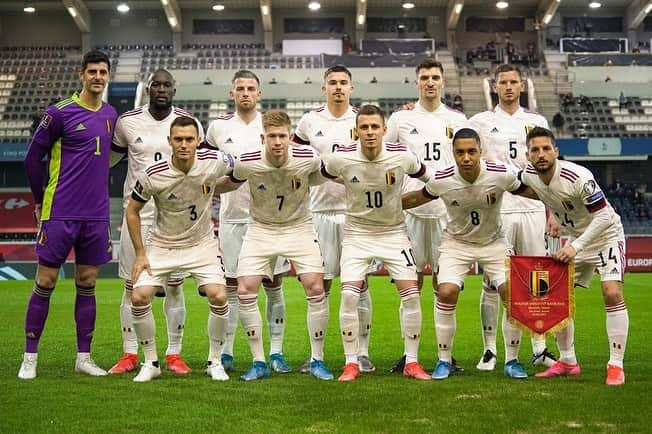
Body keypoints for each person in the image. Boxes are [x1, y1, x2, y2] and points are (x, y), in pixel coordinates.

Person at [403, 128, 536, 380]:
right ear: (452, 153)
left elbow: (530, 191)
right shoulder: (442, 179)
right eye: (460, 152)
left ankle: (512, 360)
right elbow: (417, 198)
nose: (466, 158)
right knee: (446, 291)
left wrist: (559, 201)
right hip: (456, 243)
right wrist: (386, 203)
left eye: (471, 152)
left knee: (510, 291)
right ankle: (444, 360)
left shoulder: (501, 173)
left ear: (480, 152)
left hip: (494, 242)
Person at [19, 50, 118, 379]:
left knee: (87, 282)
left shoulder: (110, 114)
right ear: (81, 74)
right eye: (92, 71)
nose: (98, 77)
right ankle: (30, 357)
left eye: (103, 71)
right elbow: (32, 159)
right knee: (45, 281)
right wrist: (37, 200)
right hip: (60, 211)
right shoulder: (59, 113)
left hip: (96, 215)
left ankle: (83, 357)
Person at [216, 110, 333, 382]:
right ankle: (259, 361)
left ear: (290, 137)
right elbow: (229, 184)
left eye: (282, 136)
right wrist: (201, 187)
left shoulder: (307, 158)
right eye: (272, 136)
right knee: (245, 291)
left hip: (299, 228)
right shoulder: (248, 161)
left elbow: (323, 176)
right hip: (261, 229)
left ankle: (317, 359)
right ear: (263, 137)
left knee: (316, 287)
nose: (277, 141)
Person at [322, 104, 432, 382]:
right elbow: (318, 174)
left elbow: (430, 179)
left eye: (375, 127)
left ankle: (413, 361)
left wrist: (416, 199)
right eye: (364, 127)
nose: (370, 132)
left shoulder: (402, 155)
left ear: (385, 130)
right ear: (355, 131)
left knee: (411, 294)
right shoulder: (341, 158)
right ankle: (351, 363)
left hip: (394, 233)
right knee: (348, 294)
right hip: (357, 234)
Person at [107, 69, 203, 375]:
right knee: (130, 287)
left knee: (174, 288)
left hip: (173, 219)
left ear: (174, 89)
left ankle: (174, 354)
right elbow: (107, 160)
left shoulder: (188, 122)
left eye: (166, 85)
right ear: (149, 89)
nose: (161, 89)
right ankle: (130, 353)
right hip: (137, 215)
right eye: (156, 85)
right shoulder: (127, 122)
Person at [127, 116, 235, 382]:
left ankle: (215, 361)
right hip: (162, 244)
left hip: (201, 243)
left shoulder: (215, 161)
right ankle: (151, 362)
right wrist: (141, 253)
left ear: (199, 141)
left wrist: (216, 186)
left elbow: (241, 170)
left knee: (219, 296)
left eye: (189, 139)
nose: (184, 144)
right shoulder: (153, 174)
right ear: (169, 142)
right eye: (178, 139)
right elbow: (132, 210)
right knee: (139, 297)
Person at [521, 127, 628, 386]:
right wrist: (553, 217)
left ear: (556, 151)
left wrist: (575, 246)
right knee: (553, 295)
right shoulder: (529, 176)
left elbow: (602, 216)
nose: (541, 154)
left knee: (611, 292)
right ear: (528, 155)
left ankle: (615, 365)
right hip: (576, 239)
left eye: (546, 148)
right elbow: (539, 194)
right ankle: (568, 361)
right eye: (535, 150)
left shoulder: (578, 176)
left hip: (605, 235)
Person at [468, 64, 558, 371]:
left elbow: (548, 170)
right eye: (502, 82)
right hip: (498, 209)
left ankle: (539, 345)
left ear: (522, 86)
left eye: (513, 82)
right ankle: (490, 349)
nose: (508, 87)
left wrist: (553, 210)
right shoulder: (480, 121)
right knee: (494, 281)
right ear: (494, 87)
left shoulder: (536, 121)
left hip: (533, 207)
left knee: (538, 279)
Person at [204, 70, 291, 373]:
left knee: (273, 282)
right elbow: (207, 165)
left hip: (268, 219)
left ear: (259, 93)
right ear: (232, 94)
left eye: (250, 89)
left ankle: (276, 351)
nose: (245, 93)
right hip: (232, 217)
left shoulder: (270, 126)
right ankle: (227, 350)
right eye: (239, 88)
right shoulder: (217, 128)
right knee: (231, 285)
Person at [384, 58, 467, 373]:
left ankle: (445, 355)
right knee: (410, 285)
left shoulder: (457, 119)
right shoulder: (400, 119)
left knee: (444, 286)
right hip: (410, 213)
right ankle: (410, 355)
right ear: (416, 82)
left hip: (448, 213)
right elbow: (384, 157)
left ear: (442, 81)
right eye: (424, 77)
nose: (430, 82)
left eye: (435, 77)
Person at [292, 65, 376, 373]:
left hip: (358, 215)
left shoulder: (362, 121)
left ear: (351, 88)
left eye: (343, 83)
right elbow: (296, 159)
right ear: (323, 88)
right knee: (319, 285)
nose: (338, 87)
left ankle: (362, 353)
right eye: (332, 83)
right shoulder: (308, 122)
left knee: (360, 283)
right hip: (319, 213)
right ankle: (317, 356)